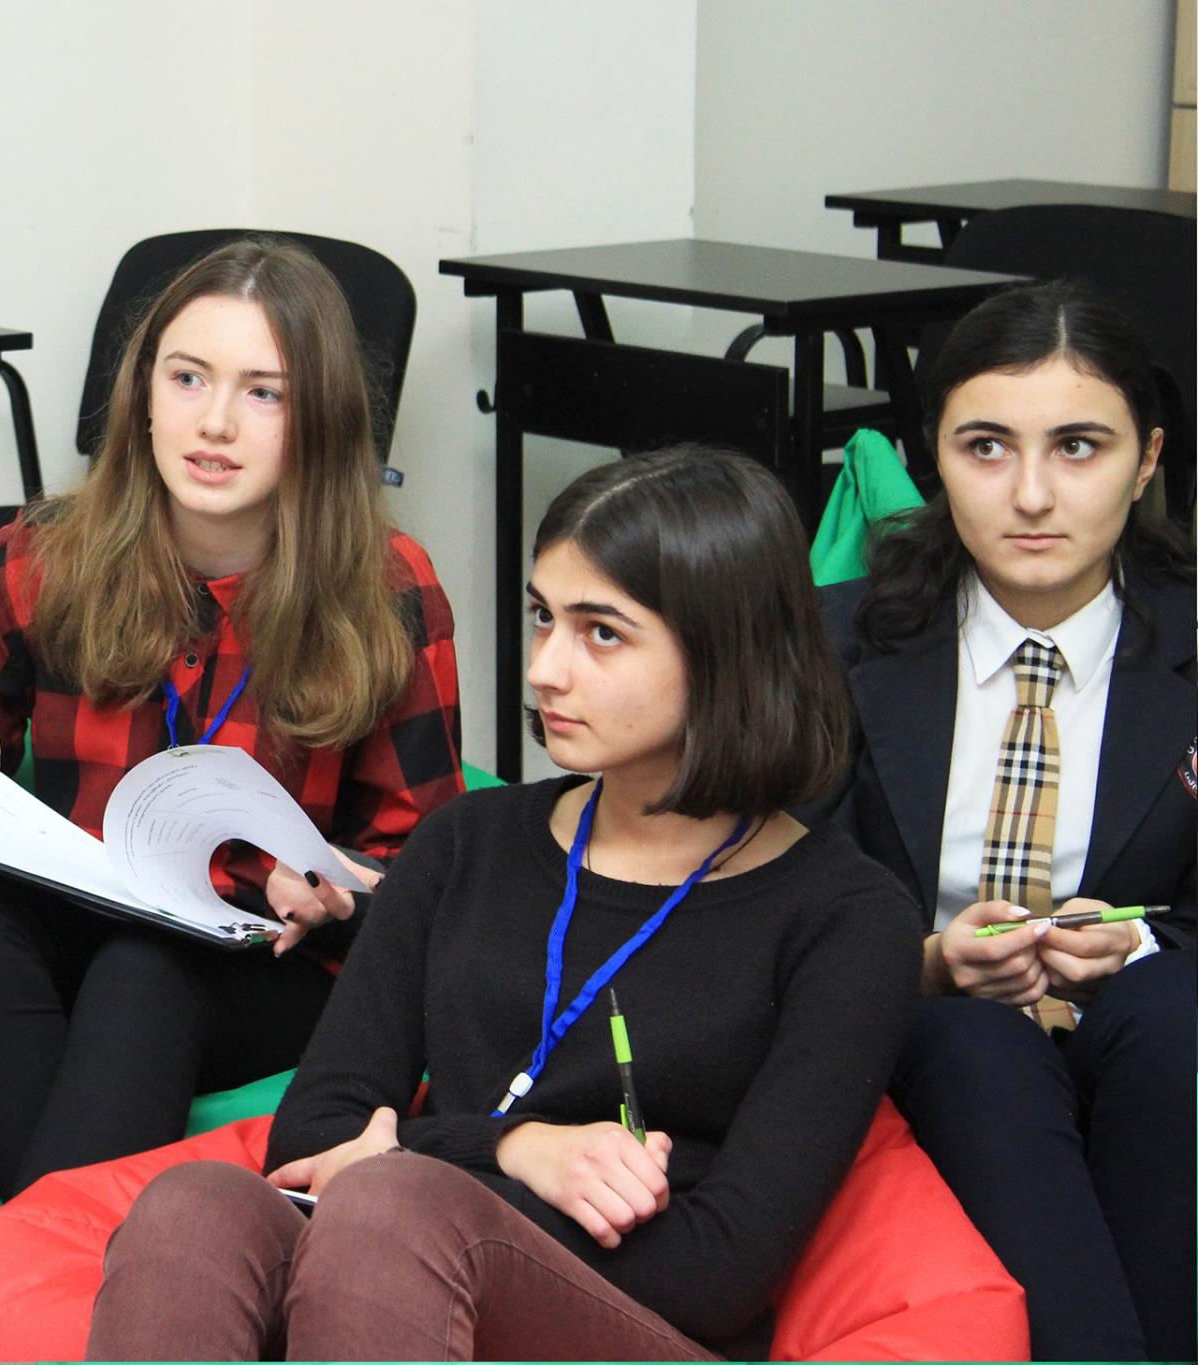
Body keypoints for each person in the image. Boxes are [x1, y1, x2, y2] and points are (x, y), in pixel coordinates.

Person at [84, 447, 922, 1361]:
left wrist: (424, 1169)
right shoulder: (465, 843)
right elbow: (314, 1133)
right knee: (195, 1203)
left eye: (602, 633)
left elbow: (717, 1272)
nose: (545, 669)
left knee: (391, 1206)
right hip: (395, 1270)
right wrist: (517, 1149)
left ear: (730, 654)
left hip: (636, 1322)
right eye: (543, 617)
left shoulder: (848, 919)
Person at [0, 238, 465, 1200]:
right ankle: (71, 1254)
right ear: (144, 393)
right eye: (188, 377)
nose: (214, 422)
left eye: (265, 392)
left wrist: (341, 893)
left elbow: (425, 867)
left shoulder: (387, 587)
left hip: (264, 952)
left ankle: (37, 1263)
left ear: (321, 418)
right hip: (84, 906)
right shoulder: (44, 554)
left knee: (146, 968)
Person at [814, 281, 1194, 1362]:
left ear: (1146, 459)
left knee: (1175, 1012)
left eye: (1078, 447)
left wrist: (1137, 942)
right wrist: (928, 963)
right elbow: (774, 899)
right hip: (930, 1036)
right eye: (985, 447)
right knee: (972, 1043)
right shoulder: (833, 641)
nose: (1031, 495)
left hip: (1150, 1037)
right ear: (930, 455)